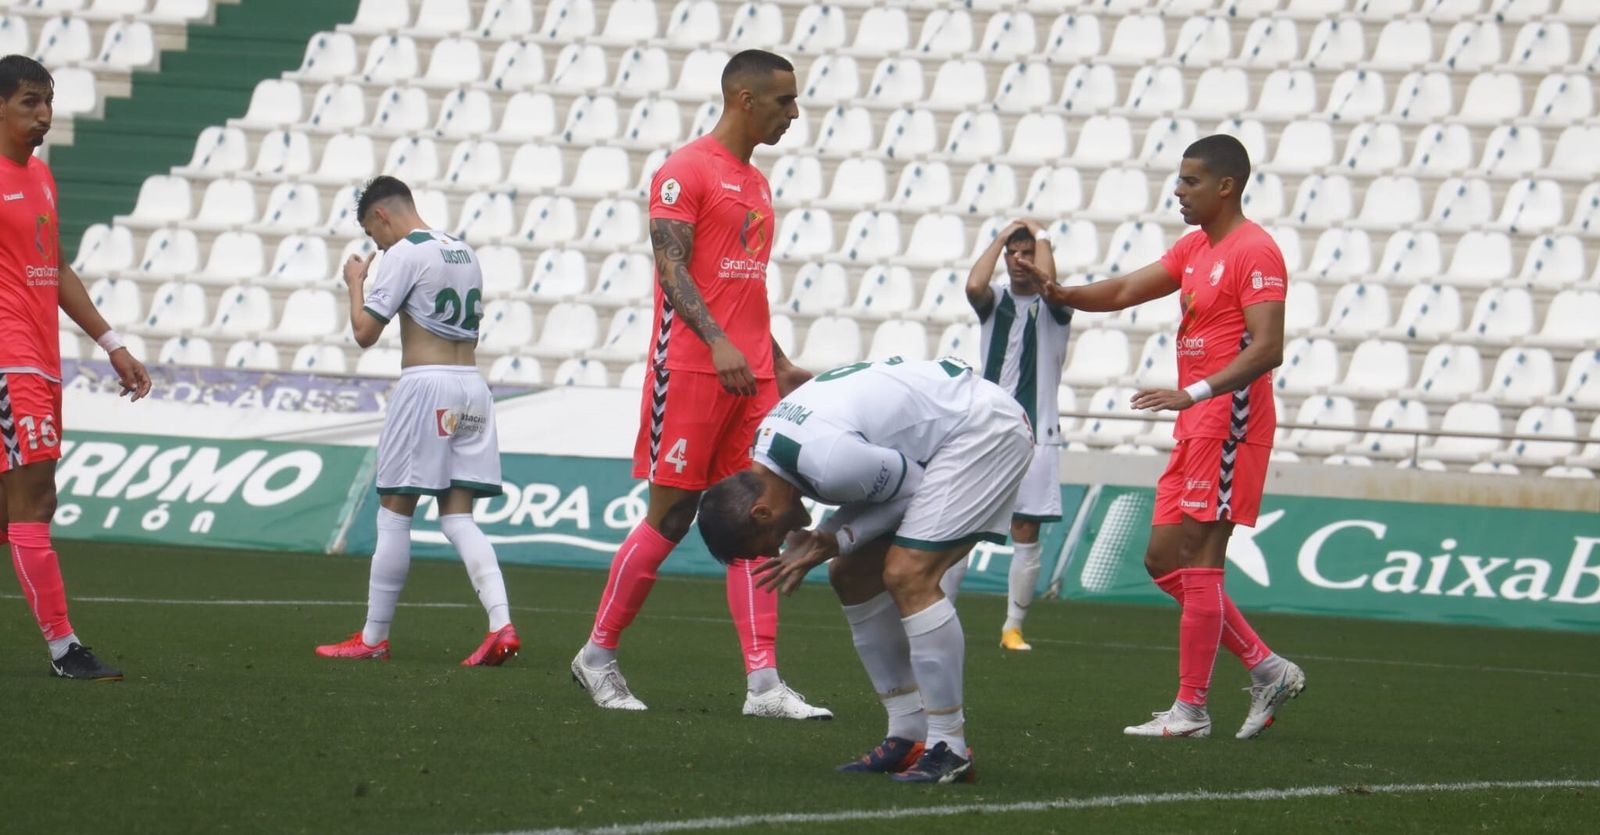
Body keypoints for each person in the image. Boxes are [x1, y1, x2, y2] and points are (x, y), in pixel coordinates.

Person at [570, 49, 828, 719]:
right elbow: (672, 267)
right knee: (674, 514)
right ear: (744, 99)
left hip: (752, 375)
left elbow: (742, 285)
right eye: (784, 101)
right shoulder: (685, 170)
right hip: (688, 368)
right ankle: (597, 654)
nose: (794, 113)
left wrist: (776, 357)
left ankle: (765, 684)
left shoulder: (758, 183)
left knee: (759, 518)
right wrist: (715, 342)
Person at [1037, 135, 1306, 739]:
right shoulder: (1195, 246)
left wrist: (1196, 393)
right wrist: (1062, 294)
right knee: (1163, 560)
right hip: (1196, 421)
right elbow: (1128, 290)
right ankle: (1266, 667)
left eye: (1189, 181)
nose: (1178, 192)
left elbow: (1269, 347)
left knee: (1203, 562)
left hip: (1228, 420)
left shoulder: (1255, 250)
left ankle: (1191, 710)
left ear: (1225, 186)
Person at [698, 357, 1034, 783]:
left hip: (984, 431)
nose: (780, 545)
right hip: (952, 428)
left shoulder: (829, 464)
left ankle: (948, 745)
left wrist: (835, 537)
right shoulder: (769, 450)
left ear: (762, 512)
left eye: (769, 542)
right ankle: (907, 733)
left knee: (908, 574)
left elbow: (914, 485)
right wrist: (831, 537)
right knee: (849, 575)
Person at [314, 175, 519, 667]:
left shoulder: (404, 253)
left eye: (371, 233)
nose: (375, 245)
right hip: (472, 384)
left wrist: (356, 282)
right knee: (458, 516)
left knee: (394, 511)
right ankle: (502, 624)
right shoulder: (464, 252)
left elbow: (365, 332)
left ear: (382, 215)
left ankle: (373, 637)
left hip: (426, 384)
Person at [0, 56, 151, 681]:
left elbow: (54, 269)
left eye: (49, 101)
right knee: (35, 499)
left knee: (13, 507)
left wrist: (111, 341)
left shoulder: (41, 178)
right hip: (10, 364)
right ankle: (66, 650)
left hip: (43, 358)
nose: (45, 115)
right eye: (30, 102)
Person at [964, 218, 1072, 651]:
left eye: (1028, 253)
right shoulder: (995, 302)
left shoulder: (1055, 306)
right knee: (962, 522)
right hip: (986, 430)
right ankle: (940, 610)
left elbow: (1051, 285)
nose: (1020, 261)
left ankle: (1012, 627)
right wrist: (1000, 237)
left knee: (1026, 528)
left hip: (1038, 432)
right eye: (1014, 253)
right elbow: (974, 284)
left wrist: (1040, 237)